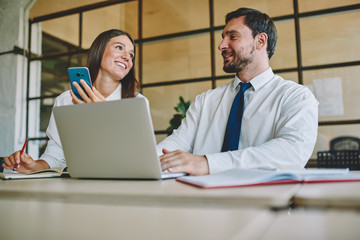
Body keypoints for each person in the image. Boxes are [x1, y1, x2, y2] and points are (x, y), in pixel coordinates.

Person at [158, 7, 318, 176]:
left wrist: (207, 163)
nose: (221, 46)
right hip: (202, 200)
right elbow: (175, 144)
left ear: (260, 41)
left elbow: (291, 153)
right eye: (223, 37)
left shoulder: (295, 97)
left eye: (232, 36)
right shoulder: (206, 100)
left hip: (263, 200)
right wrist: (144, 161)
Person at [3, 29, 147, 173]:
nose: (127, 57)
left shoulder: (137, 103)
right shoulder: (65, 100)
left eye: (131, 55)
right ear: (99, 50)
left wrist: (105, 116)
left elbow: (140, 159)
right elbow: (56, 155)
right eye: (119, 47)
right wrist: (34, 166)